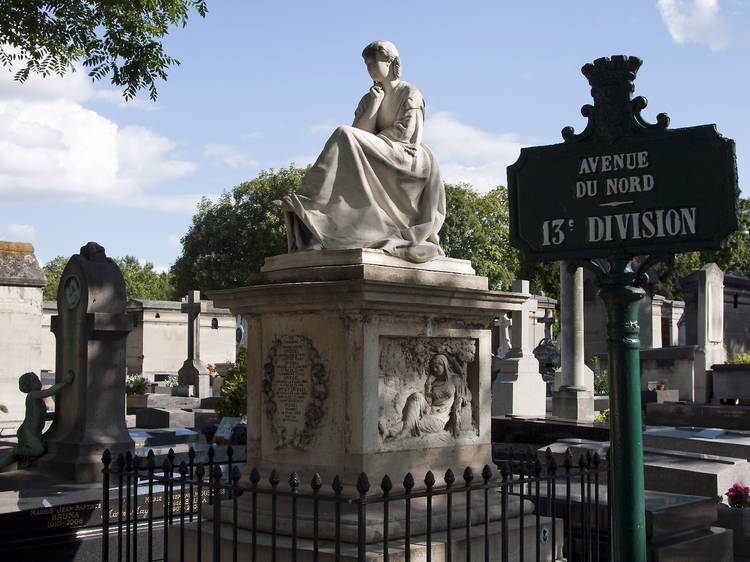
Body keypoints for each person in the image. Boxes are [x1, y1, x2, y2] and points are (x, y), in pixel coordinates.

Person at [278, 40, 446, 263]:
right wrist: (375, 105)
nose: (369, 69)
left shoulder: (410, 92)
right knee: (345, 137)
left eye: (372, 62)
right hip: (378, 151)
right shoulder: (369, 97)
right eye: (366, 64)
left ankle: (311, 202)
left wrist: (369, 143)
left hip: (407, 156)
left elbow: (406, 133)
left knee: (343, 133)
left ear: (390, 62)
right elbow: (358, 134)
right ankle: (322, 218)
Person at [385, 354, 472, 439]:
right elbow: (429, 401)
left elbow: (468, 395)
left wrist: (463, 399)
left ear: (444, 365)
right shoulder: (434, 383)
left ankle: (391, 431)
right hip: (429, 411)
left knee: (415, 422)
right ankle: (396, 431)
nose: (434, 369)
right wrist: (428, 384)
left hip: (439, 418)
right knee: (416, 396)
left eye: (437, 366)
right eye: (433, 367)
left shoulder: (455, 379)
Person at [0, 370, 73, 470]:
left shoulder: (37, 400)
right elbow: (50, 392)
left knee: (19, 456)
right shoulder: (32, 395)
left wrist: (59, 415)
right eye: (34, 380)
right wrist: (65, 382)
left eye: (37, 379)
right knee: (38, 450)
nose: (38, 382)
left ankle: (12, 458)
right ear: (28, 386)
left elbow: (42, 416)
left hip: (32, 432)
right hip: (28, 432)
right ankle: (15, 450)